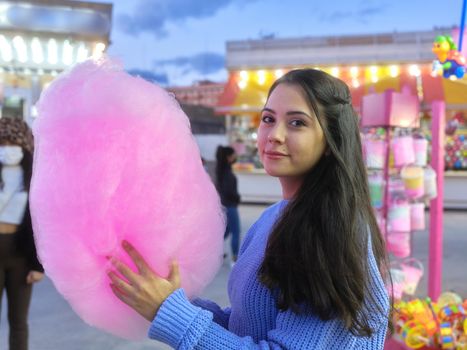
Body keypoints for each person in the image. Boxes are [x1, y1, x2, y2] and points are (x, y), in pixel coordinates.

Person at [108, 68, 390, 349]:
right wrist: (171, 301)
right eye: (268, 119)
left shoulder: (330, 233)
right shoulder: (272, 218)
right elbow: (247, 324)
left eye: (297, 123)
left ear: (331, 141)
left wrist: (170, 313)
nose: (274, 134)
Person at [0, 117, 44, 350]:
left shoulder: (36, 179)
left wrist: (38, 266)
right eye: (2, 142)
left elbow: (40, 225)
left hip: (20, 258)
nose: (7, 148)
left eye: (12, 142)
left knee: (18, 323)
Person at [215, 145, 241, 264]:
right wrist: (237, 198)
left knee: (227, 231)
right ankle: (235, 258)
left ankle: (214, 252)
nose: (235, 157)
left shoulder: (222, 170)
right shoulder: (227, 173)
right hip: (230, 206)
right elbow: (228, 192)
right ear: (228, 157)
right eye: (233, 155)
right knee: (236, 231)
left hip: (225, 205)